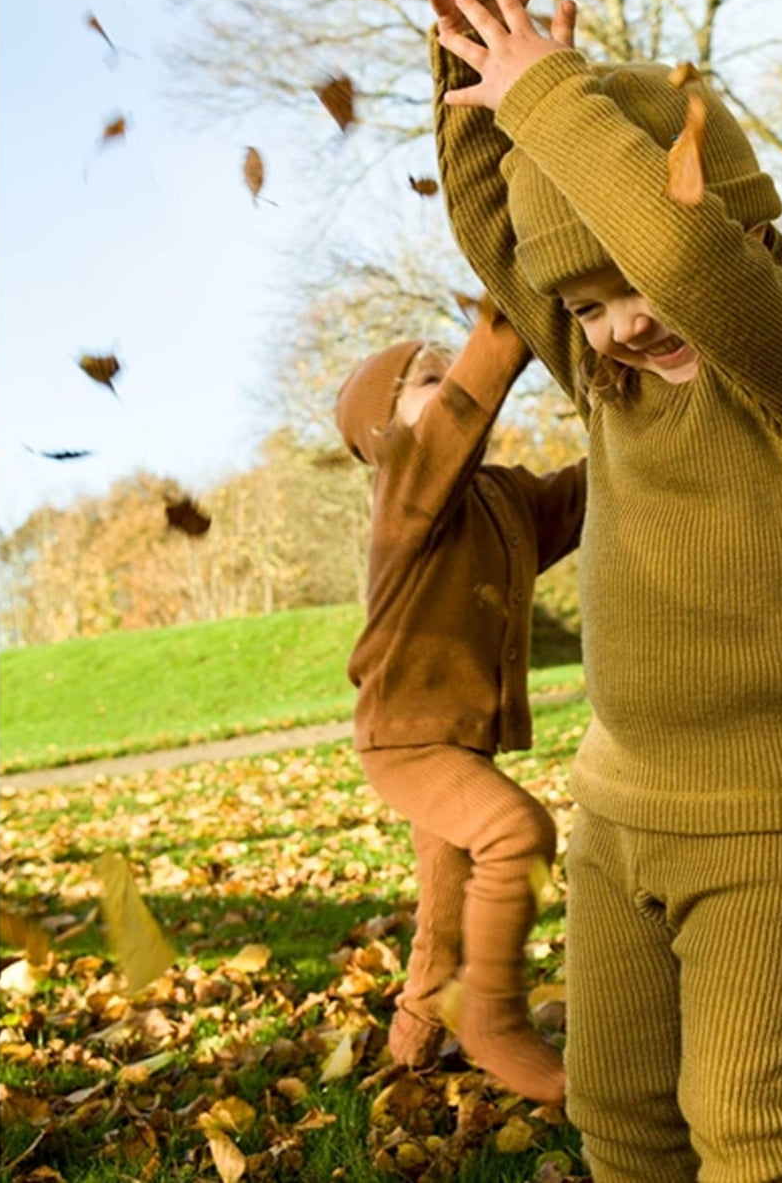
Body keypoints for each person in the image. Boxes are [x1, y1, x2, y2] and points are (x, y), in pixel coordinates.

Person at [426, 0, 782, 1179]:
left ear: (746, 219)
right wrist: (480, 76)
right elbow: (492, 235)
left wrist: (555, 97)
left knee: (748, 1119)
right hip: (620, 808)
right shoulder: (612, 382)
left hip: (763, 818)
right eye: (584, 304)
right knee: (618, 1109)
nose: (616, 324)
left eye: (623, 287)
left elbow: (682, 263)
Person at [336, 305, 586, 1105]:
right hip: (405, 740)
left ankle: (413, 1044)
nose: (451, 390)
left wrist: (648, 413)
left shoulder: (500, 500)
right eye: (430, 380)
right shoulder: (405, 482)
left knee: (442, 911)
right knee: (518, 832)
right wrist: (511, 311)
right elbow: (467, 408)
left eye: (452, 372)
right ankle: (493, 1020)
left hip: (457, 741)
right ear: (384, 432)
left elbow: (584, 495)